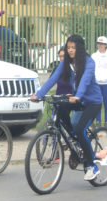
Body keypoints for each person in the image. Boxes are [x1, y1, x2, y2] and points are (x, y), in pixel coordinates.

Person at [31, 34, 103, 181]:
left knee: (80, 128)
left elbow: (85, 81)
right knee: (60, 108)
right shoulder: (66, 63)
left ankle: (91, 166)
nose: (70, 50)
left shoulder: (89, 62)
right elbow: (53, 79)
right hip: (77, 99)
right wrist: (39, 94)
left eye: (73, 48)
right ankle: (75, 140)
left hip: (92, 102)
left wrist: (79, 95)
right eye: (68, 47)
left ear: (80, 48)